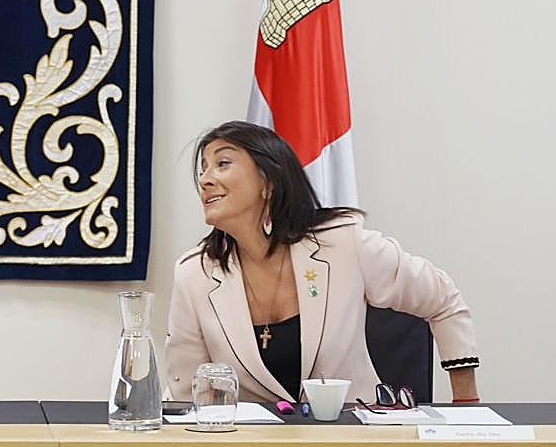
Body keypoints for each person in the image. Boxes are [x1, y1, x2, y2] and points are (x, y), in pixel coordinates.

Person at [164, 121, 478, 405]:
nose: (204, 180)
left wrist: (466, 406)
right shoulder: (194, 274)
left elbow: (443, 300)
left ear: (268, 182)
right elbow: (184, 394)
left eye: (222, 163)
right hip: (255, 440)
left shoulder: (343, 244)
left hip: (352, 435)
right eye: (203, 169)